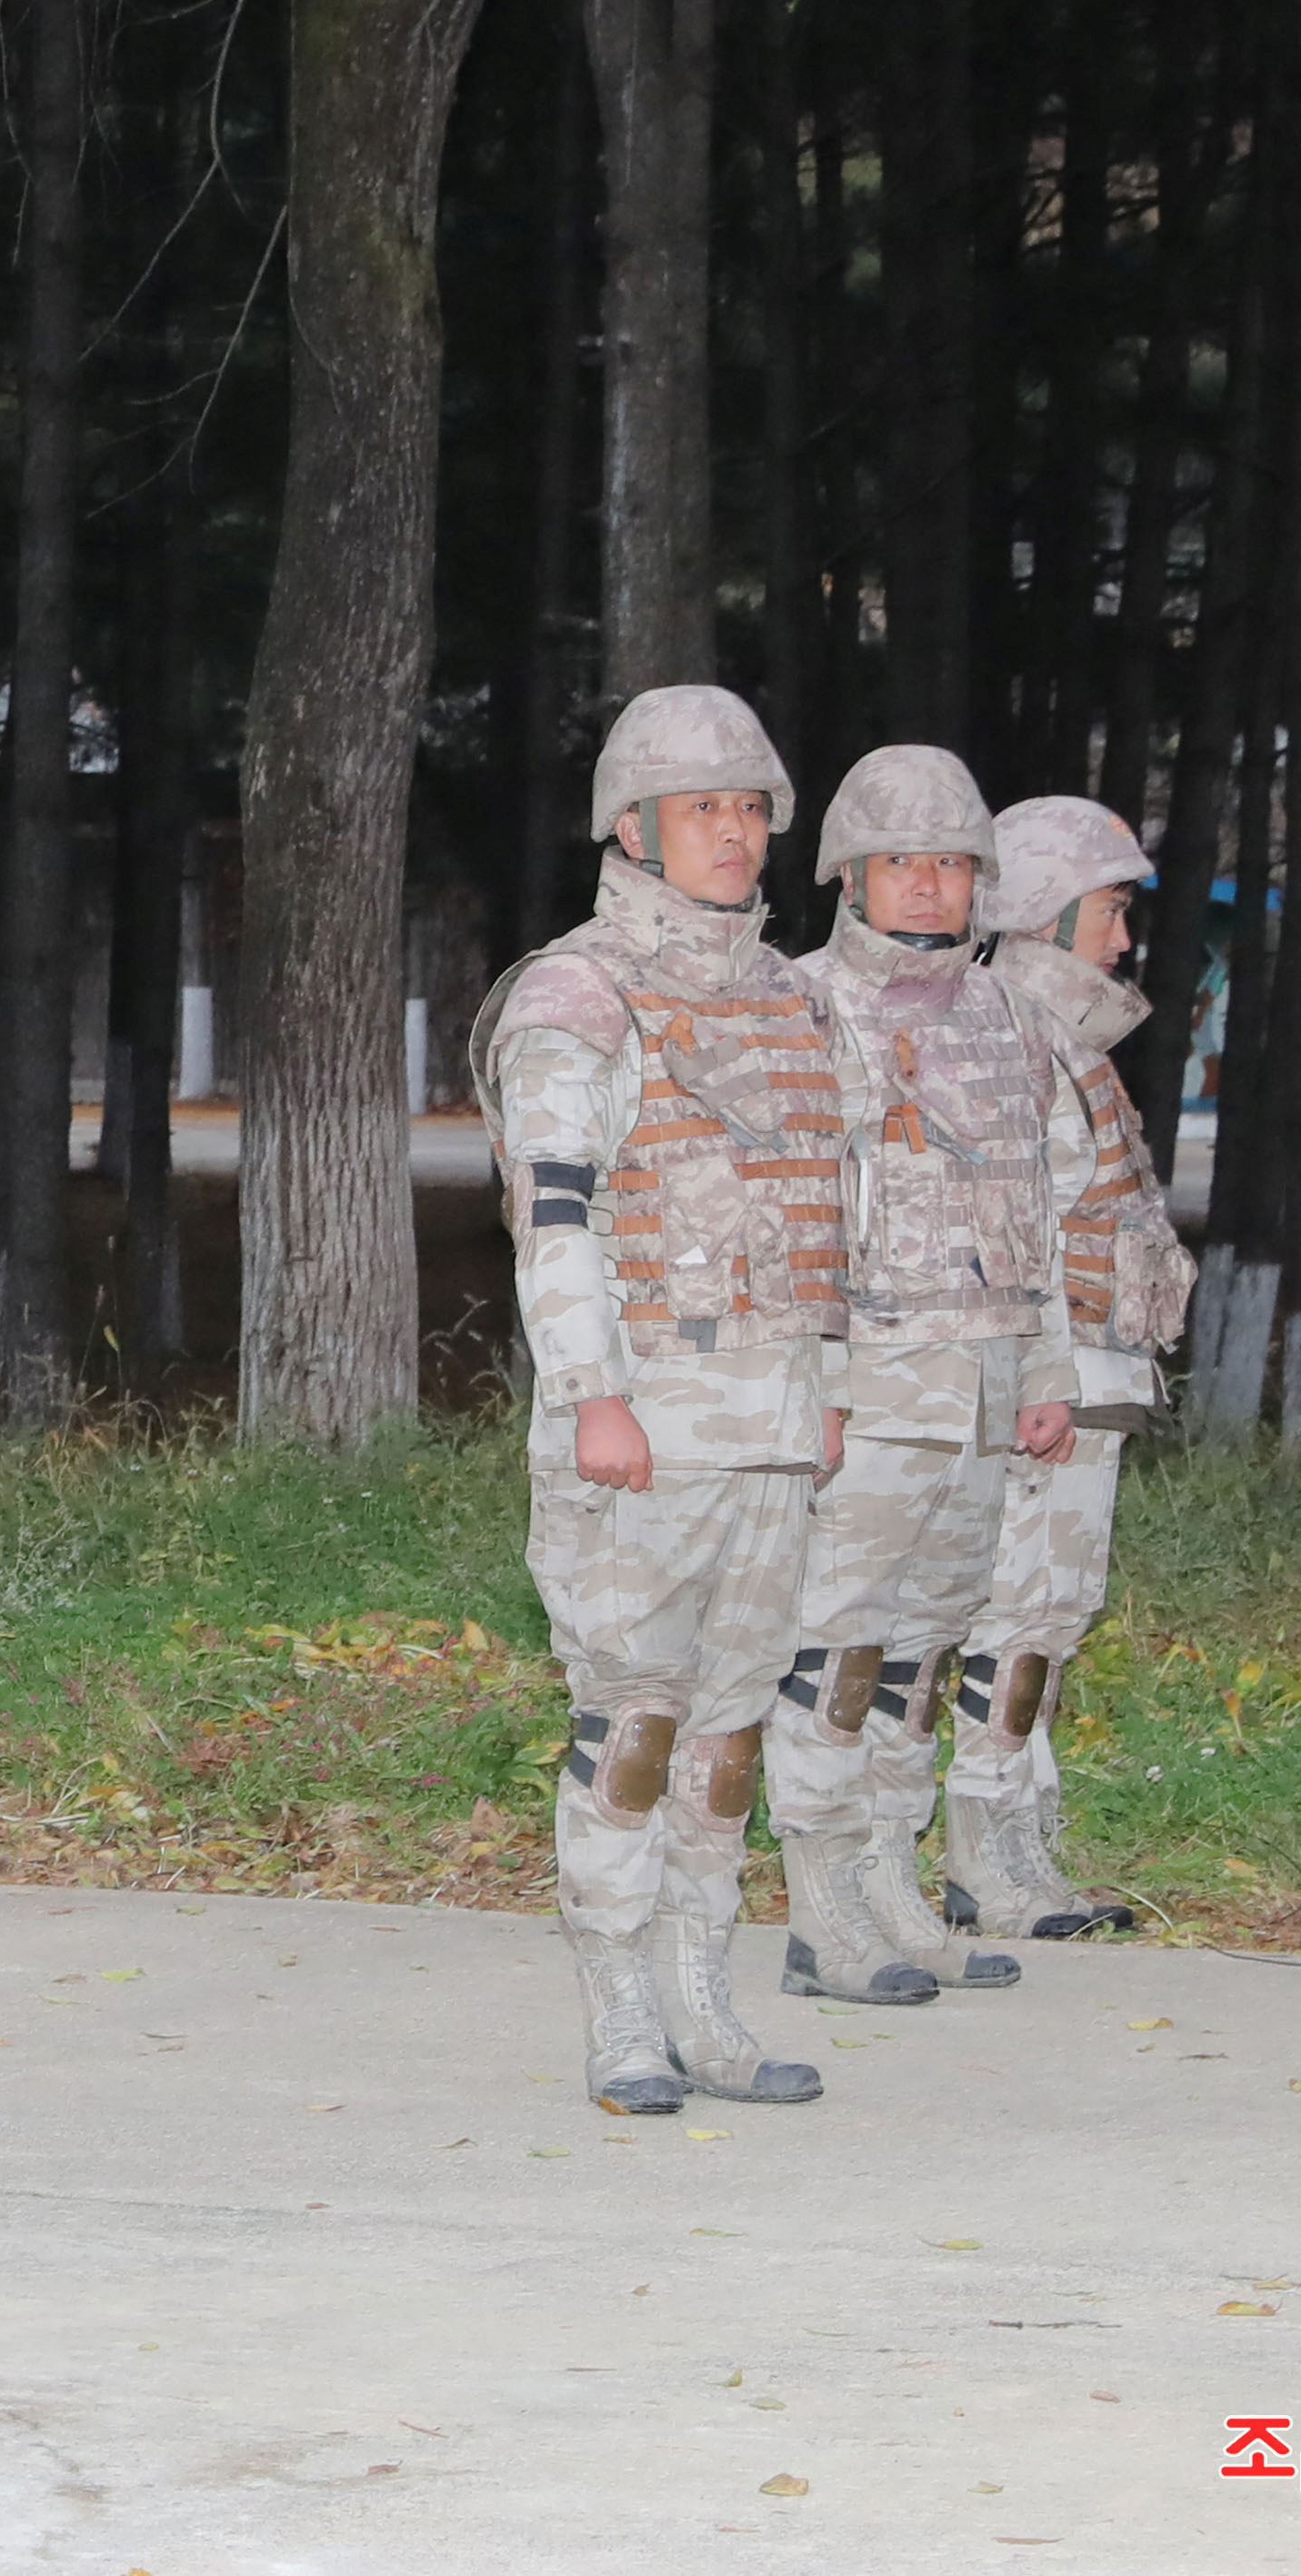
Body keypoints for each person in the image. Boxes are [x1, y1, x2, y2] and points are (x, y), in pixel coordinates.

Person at [471, 684, 833, 2116]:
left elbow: (835, 1219)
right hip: (641, 1422)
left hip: (771, 1425)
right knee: (633, 1720)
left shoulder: (795, 998)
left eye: (750, 808)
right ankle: (621, 2008)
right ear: (634, 829)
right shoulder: (576, 996)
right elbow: (554, 1220)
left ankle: (705, 2001)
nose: (735, 833)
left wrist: (837, 1389)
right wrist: (592, 1399)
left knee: (730, 1730)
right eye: (705, 809)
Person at [770, 744, 1069, 2006]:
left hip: (987, 1380)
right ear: (851, 871)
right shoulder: (797, 1001)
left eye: (954, 863)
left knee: (921, 1654)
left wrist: (1046, 1363)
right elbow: (784, 1217)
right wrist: (813, 1385)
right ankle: (821, 1904)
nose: (932, 885)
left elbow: (1037, 1204)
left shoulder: (1007, 1012)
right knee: (836, 1649)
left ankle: (892, 1884)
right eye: (905, 861)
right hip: (874, 1382)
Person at [952, 797, 1191, 1940]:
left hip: (1090, 1368)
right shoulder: (1010, 1034)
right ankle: (982, 1854)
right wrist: (1028, 1380)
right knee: (1015, 1612)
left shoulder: (1065, 1041)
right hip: (1047, 1379)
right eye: (1110, 908)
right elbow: (1008, 1235)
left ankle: (1023, 1847)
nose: (1125, 935)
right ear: (1047, 911)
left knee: (1051, 1613)